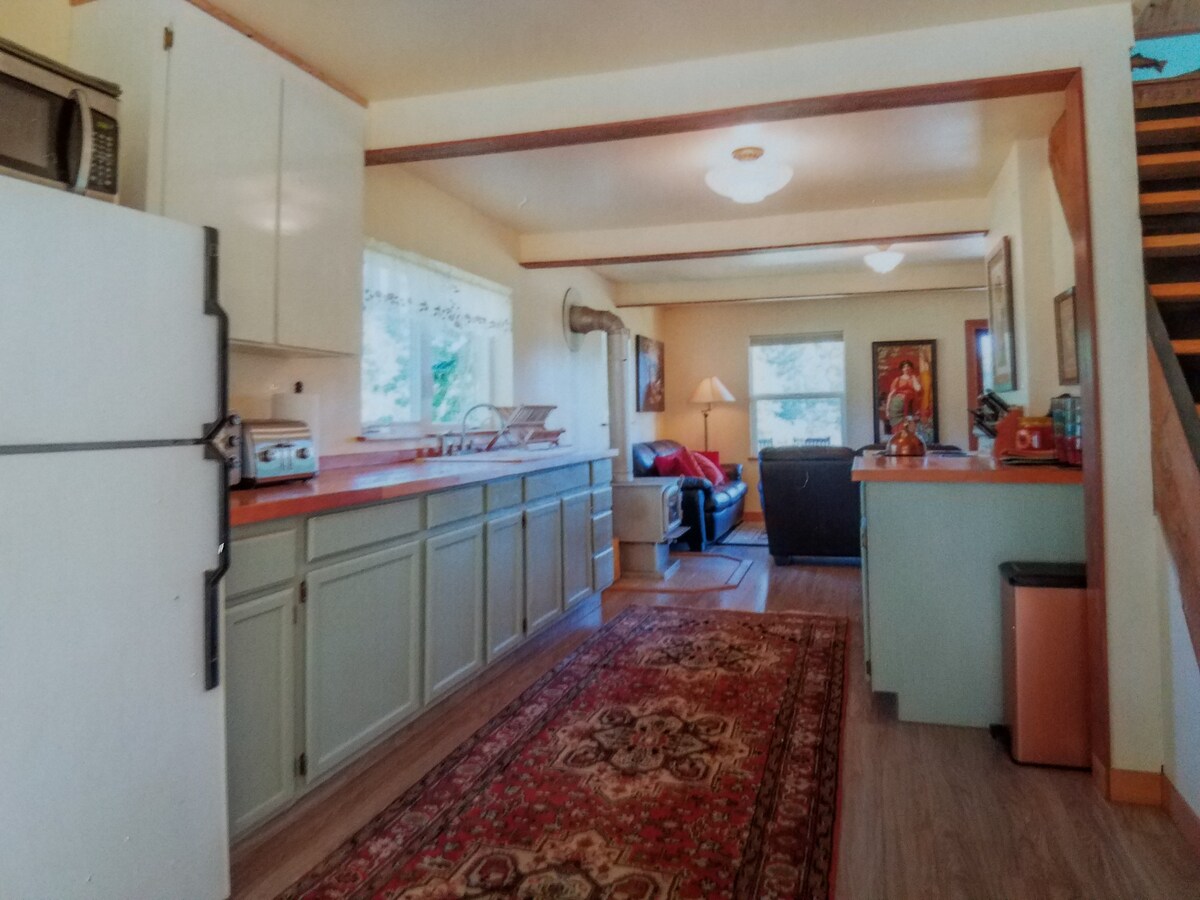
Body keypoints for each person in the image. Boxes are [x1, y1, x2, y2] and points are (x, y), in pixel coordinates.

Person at [883, 359, 922, 429]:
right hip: (898, 406)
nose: (906, 368)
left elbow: (918, 389)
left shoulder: (914, 378)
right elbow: (891, 395)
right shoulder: (898, 379)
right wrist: (887, 410)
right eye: (904, 367)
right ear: (902, 369)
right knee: (899, 427)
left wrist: (913, 377)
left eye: (908, 366)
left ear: (911, 368)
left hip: (911, 405)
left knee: (910, 426)